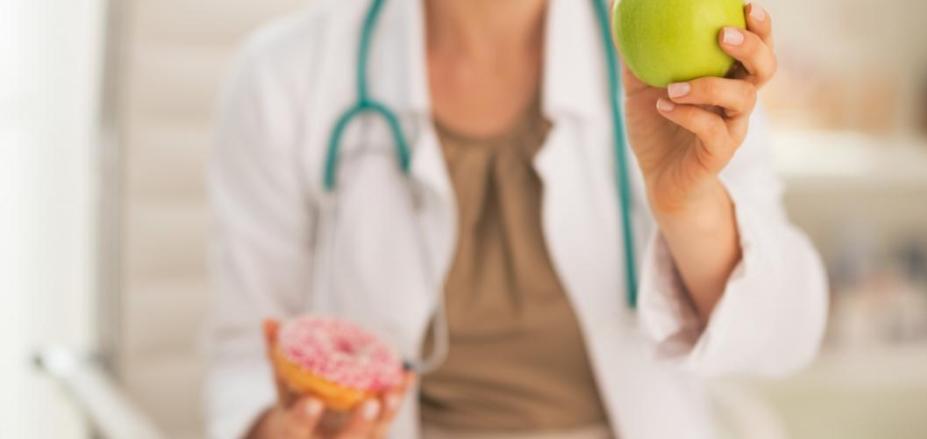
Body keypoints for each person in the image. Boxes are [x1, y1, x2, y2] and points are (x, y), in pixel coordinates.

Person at [205, 0, 828, 438]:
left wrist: (688, 204)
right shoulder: (284, 76)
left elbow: (786, 337)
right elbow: (245, 355)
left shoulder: (682, 70)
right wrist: (279, 430)